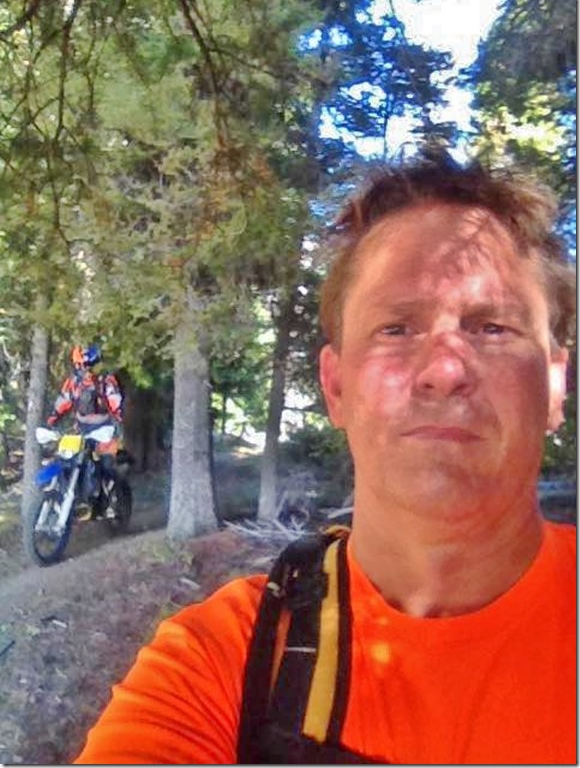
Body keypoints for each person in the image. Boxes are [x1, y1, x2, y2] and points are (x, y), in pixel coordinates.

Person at [74, 153, 576, 765]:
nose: (445, 370)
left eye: (492, 327)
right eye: (396, 329)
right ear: (335, 387)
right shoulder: (221, 664)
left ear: (555, 385)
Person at [47, 344, 124, 504]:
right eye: (80, 365)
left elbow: (114, 400)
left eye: (87, 365)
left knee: (106, 464)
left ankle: (109, 497)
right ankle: (73, 494)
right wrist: (53, 418)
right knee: (68, 459)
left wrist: (117, 417)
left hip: (104, 429)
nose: (84, 369)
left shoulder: (106, 381)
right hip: (81, 429)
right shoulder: (73, 382)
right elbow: (64, 400)